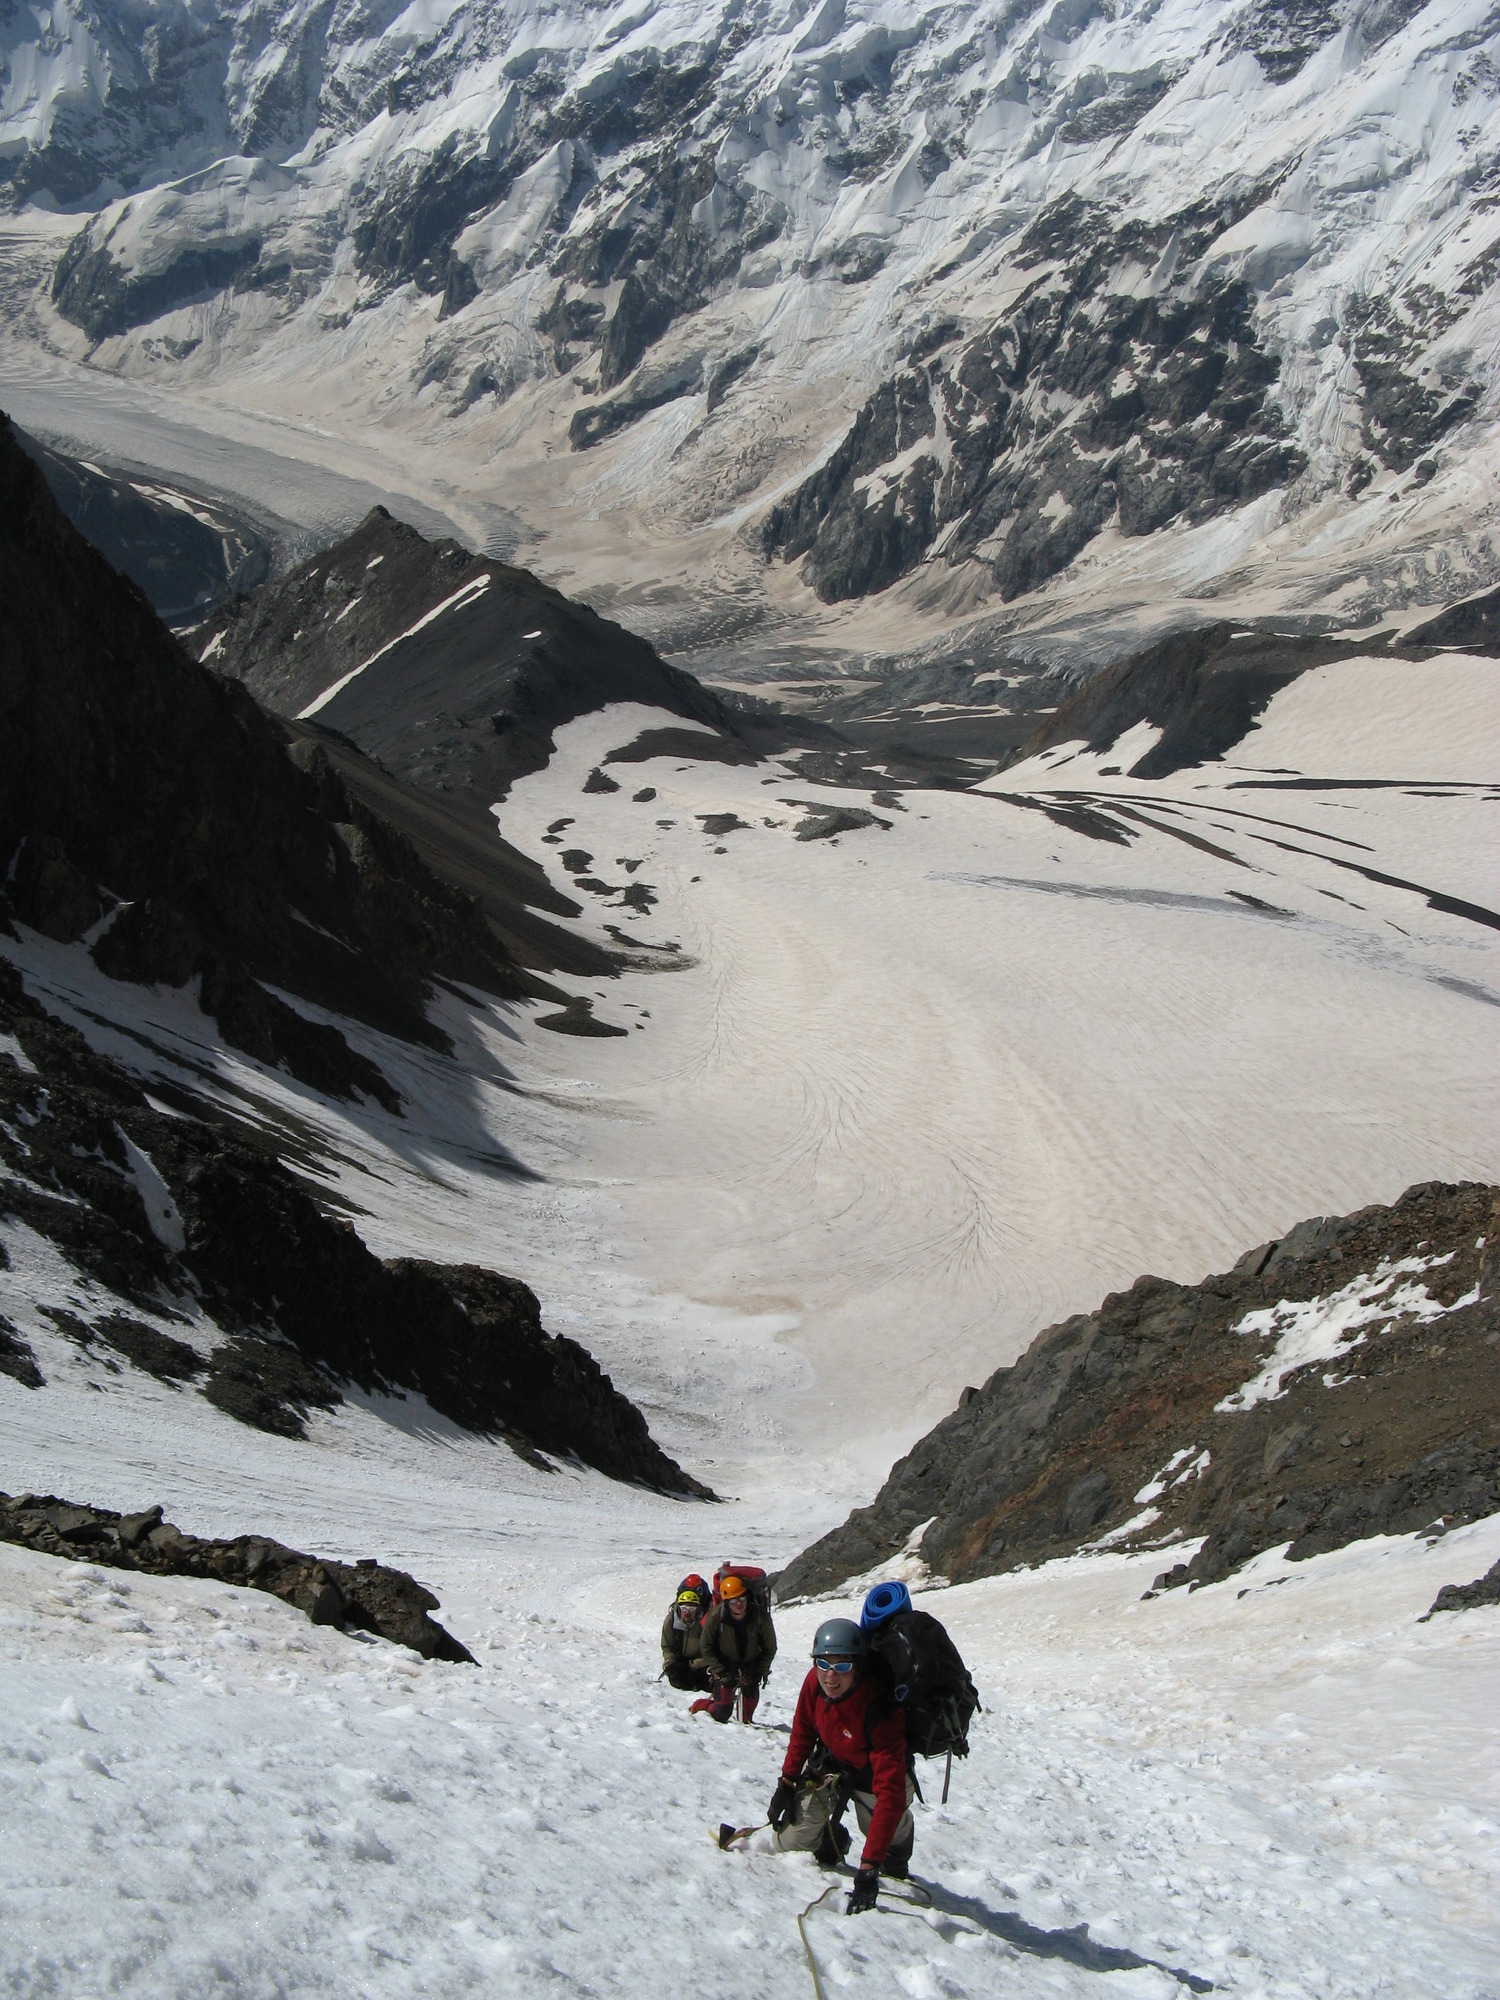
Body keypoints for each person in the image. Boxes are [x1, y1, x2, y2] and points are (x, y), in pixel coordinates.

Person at [766, 1616, 916, 1913]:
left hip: (877, 1776)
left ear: (858, 1666)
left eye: (842, 1666)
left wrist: (870, 1868)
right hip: (834, 1765)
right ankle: (832, 1839)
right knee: (789, 1841)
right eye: (823, 1664)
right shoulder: (814, 1683)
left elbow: (890, 1792)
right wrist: (786, 1782)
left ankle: (899, 1844)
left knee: (878, 1822)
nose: (830, 1676)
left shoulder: (880, 1706)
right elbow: (803, 1732)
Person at [693, 1573, 777, 1723]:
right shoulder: (716, 1617)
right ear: (726, 1602)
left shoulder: (759, 1617)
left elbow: (770, 1647)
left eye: (742, 1598)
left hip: (751, 1666)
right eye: (733, 1600)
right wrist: (720, 1671)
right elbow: (706, 1646)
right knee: (721, 1714)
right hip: (725, 1665)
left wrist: (759, 1672)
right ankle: (703, 1705)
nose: (739, 1603)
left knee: (746, 1718)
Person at [660, 1575, 712, 1691]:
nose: (687, 1612)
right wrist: (670, 1664)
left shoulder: (710, 1623)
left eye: (692, 1608)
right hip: (683, 1663)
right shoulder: (671, 1621)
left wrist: (692, 1665)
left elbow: (716, 1653)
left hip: (705, 1667)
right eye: (684, 1608)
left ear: (699, 1609)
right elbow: (667, 1647)